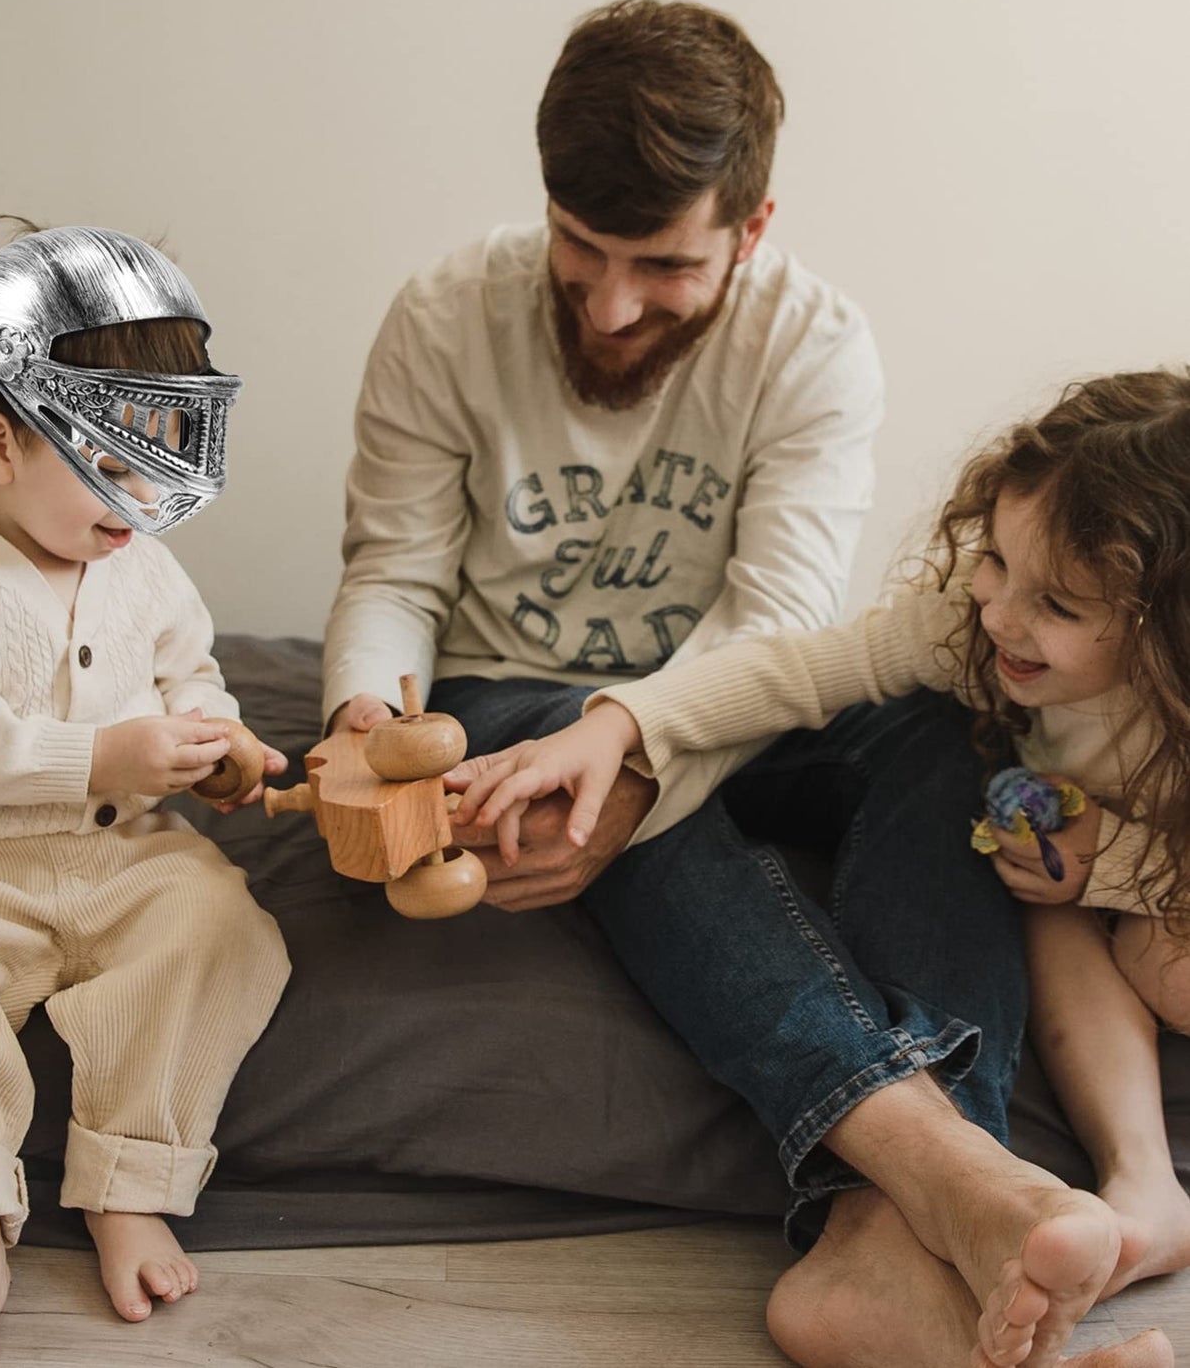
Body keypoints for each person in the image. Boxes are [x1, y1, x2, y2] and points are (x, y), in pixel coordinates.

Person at [449, 368, 1190, 1368]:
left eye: (1053, 601)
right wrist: (624, 720)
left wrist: (1118, 858)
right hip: (1070, 866)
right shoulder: (968, 631)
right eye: (995, 562)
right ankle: (915, 1221)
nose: (1000, 616)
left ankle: (919, 1234)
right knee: (969, 777)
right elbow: (797, 670)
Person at [0, 226, 292, 1368]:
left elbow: (192, 668)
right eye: (113, 465)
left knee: (221, 927)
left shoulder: (143, 560)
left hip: (126, 855)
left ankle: (129, 1179)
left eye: (165, 459)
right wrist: (98, 755)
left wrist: (219, 736)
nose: (142, 500)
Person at [323, 0, 885, 910]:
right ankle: (863, 1063)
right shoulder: (441, 315)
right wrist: (368, 719)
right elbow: (394, 573)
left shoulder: (814, 346)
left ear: (750, 230)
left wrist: (640, 761)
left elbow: (778, 618)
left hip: (728, 688)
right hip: (511, 689)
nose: (611, 309)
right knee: (557, 766)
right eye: (580, 245)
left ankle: (953, 1060)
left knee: (945, 741)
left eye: (665, 266)